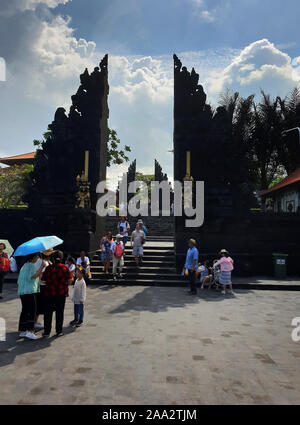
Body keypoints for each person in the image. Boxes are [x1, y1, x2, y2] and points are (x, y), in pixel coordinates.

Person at [42, 250, 74, 337]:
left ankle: (46, 332)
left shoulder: (49, 268)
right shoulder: (65, 268)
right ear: (62, 258)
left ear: (53, 258)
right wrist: (64, 284)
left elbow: (43, 280)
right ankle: (59, 331)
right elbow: (70, 280)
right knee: (59, 312)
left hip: (49, 293)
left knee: (48, 313)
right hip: (61, 293)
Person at [17, 253, 45, 340]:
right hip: (30, 291)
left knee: (25, 310)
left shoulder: (24, 266)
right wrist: (41, 267)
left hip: (22, 291)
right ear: (33, 257)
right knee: (32, 310)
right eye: (37, 256)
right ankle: (29, 331)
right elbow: (35, 276)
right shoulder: (31, 265)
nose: (37, 258)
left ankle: (23, 330)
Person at [34, 249, 54, 331]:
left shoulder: (48, 262)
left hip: (45, 286)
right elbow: (42, 277)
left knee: (42, 306)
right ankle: (34, 323)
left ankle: (36, 322)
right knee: (38, 306)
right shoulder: (42, 262)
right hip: (41, 286)